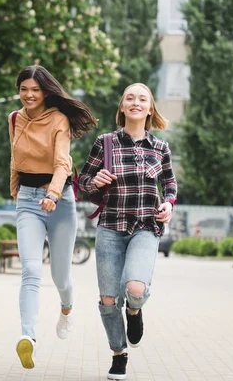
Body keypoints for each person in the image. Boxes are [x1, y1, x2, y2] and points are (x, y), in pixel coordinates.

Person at [78, 83, 177, 380]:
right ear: (122, 107)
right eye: (129, 98)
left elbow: (170, 185)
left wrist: (169, 204)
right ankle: (118, 354)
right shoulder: (106, 142)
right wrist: (95, 180)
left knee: (135, 288)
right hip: (110, 227)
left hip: (146, 227)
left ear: (150, 108)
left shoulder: (160, 148)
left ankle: (134, 311)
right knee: (108, 299)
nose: (135, 102)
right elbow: (82, 180)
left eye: (142, 99)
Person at [9, 65, 98, 369]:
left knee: (61, 275)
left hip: (59, 200)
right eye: (24, 89)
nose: (29, 95)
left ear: (46, 92)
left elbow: (62, 163)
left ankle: (67, 309)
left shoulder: (59, 120)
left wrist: (53, 194)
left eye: (35, 89)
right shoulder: (14, 119)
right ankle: (28, 337)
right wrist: (16, 192)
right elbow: (15, 158)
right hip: (28, 200)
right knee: (31, 269)